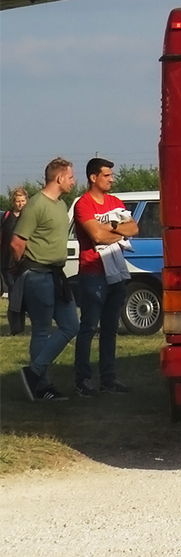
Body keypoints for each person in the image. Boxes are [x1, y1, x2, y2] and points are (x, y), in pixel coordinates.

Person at [10, 158, 80, 401]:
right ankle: (42, 387)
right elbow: (17, 242)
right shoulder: (36, 205)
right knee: (41, 330)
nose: (73, 181)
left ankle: (34, 374)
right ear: (59, 178)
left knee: (71, 325)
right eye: (71, 176)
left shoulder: (61, 205)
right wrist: (24, 267)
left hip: (56, 275)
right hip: (37, 275)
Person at [73, 158, 138, 396]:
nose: (111, 179)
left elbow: (133, 228)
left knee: (110, 328)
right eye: (107, 175)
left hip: (115, 274)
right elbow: (96, 236)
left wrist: (110, 229)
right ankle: (83, 380)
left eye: (111, 175)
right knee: (88, 327)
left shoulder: (115, 201)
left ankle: (108, 379)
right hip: (92, 274)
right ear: (93, 177)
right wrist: (116, 231)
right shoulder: (84, 204)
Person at [2, 187, 28, 295]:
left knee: (22, 291)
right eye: (18, 201)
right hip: (7, 261)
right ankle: (14, 311)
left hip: (23, 261)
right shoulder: (6, 216)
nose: (20, 204)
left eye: (23, 201)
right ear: (13, 202)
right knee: (13, 290)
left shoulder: (28, 217)